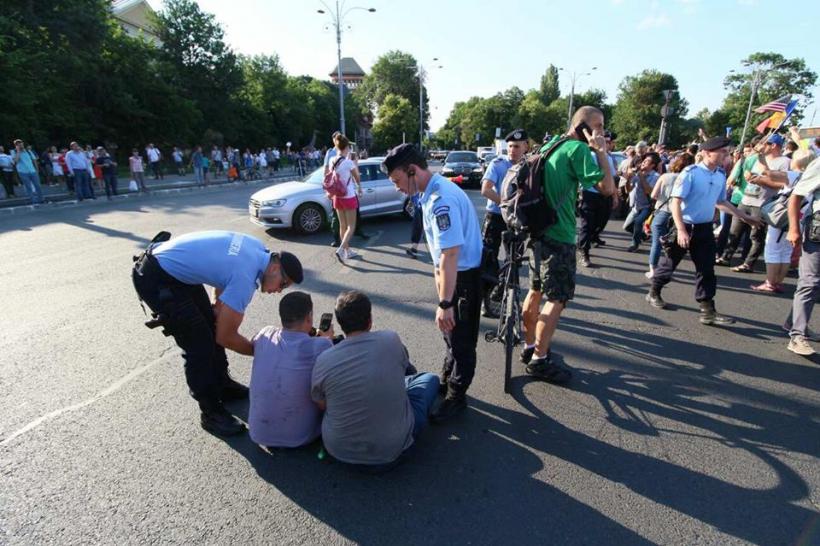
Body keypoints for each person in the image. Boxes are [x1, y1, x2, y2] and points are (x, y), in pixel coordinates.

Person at [132, 230, 303, 436]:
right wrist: (265, 351)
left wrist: (217, 305)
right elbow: (226, 337)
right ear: (275, 267)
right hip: (157, 278)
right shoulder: (245, 278)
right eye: (283, 284)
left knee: (212, 325)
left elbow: (223, 273)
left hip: (172, 270)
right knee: (199, 345)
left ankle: (222, 384)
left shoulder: (257, 248)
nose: (279, 290)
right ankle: (210, 413)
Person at [382, 143, 483, 421]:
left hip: (460, 281)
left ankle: (456, 398)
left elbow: (450, 255)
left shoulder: (441, 200)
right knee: (450, 335)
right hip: (452, 278)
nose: (397, 188)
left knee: (461, 343)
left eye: (398, 181)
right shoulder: (429, 193)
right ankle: (448, 379)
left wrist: (445, 302)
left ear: (412, 171)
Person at [520, 106, 616, 382]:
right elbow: (607, 189)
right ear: (585, 129)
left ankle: (528, 346)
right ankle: (539, 358)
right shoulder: (578, 150)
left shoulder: (551, 144)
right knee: (557, 298)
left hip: (536, 230)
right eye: (598, 127)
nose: (602, 133)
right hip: (559, 235)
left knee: (535, 289)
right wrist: (601, 152)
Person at [311, 290, 439, 470]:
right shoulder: (390, 340)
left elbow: (321, 404)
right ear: (370, 321)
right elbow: (404, 368)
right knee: (430, 379)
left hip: (340, 452)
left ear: (340, 324)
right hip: (394, 451)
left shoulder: (324, 359)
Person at [646, 137, 763, 324]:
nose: (727, 155)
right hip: (685, 226)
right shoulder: (690, 173)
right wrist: (681, 230)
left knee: (706, 270)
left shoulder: (719, 175)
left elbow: (721, 201)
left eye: (727, 152)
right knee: (669, 265)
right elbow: (676, 201)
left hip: (705, 229)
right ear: (708, 153)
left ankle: (707, 311)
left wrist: (744, 216)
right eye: (723, 152)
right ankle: (654, 292)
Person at [250, 291, 334, 448]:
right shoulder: (321, 345)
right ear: (309, 317)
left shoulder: (265, 333)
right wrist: (327, 337)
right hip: (301, 437)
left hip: (258, 433)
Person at [718, 134, 790, 272]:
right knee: (734, 231)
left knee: (756, 235)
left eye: (765, 143)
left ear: (773, 145)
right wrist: (748, 177)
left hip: (763, 203)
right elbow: (745, 173)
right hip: (746, 199)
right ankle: (725, 257)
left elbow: (782, 184)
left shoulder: (784, 162)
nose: (760, 146)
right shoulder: (757, 159)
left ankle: (748, 263)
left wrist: (758, 180)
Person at [752, 149, 816, 293]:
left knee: (773, 250)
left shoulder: (795, 175)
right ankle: (778, 282)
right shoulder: (813, 178)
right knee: (786, 251)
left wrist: (761, 159)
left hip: (783, 218)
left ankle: (770, 282)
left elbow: (768, 173)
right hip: (800, 219)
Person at [480, 129, 528, 314]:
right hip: (496, 216)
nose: (512, 150)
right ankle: (487, 301)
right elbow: (486, 189)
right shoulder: (498, 164)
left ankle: (502, 297)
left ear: (526, 147)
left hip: (517, 220)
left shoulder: (530, 166)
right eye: (509, 146)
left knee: (514, 261)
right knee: (488, 260)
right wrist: (507, 204)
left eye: (516, 146)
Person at [784, 156, 820, 355]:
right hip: (817, 230)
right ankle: (797, 336)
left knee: (815, 284)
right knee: (810, 282)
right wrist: (794, 229)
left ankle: (792, 322)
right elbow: (796, 196)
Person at [646, 152, 695, 278]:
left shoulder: (665, 177)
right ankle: (667, 269)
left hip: (662, 212)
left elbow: (653, 195)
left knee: (656, 243)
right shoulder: (690, 179)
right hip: (679, 216)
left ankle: (653, 270)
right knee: (671, 246)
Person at [578, 130, 620, 266]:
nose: (607, 144)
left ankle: (592, 238)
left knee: (601, 223)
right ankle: (584, 251)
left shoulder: (607, 157)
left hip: (605, 196)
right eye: (605, 141)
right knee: (586, 225)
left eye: (608, 142)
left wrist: (614, 196)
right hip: (589, 195)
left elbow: (612, 178)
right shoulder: (588, 155)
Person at [329, 135, 363, 262]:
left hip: (337, 196)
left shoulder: (333, 159)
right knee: (351, 226)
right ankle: (341, 249)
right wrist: (355, 163)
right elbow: (357, 178)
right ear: (347, 147)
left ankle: (347, 251)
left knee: (342, 225)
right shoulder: (348, 162)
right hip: (348, 196)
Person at [623, 152, 661, 252]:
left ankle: (635, 244)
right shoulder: (637, 174)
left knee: (638, 222)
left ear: (653, 165)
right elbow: (628, 190)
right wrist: (628, 178)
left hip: (647, 206)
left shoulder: (656, 176)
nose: (643, 163)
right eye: (643, 161)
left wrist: (641, 177)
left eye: (646, 162)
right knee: (626, 227)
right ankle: (643, 236)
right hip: (635, 206)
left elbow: (649, 191)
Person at [11, 139, 44, 204]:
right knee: (28, 187)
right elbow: (15, 161)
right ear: (16, 145)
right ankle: (33, 200)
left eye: (21, 143)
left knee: (38, 186)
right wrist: (18, 151)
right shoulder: (13, 152)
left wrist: (37, 170)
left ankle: (41, 199)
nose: (20, 145)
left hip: (32, 171)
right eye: (18, 144)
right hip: (23, 172)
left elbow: (34, 161)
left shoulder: (28, 151)